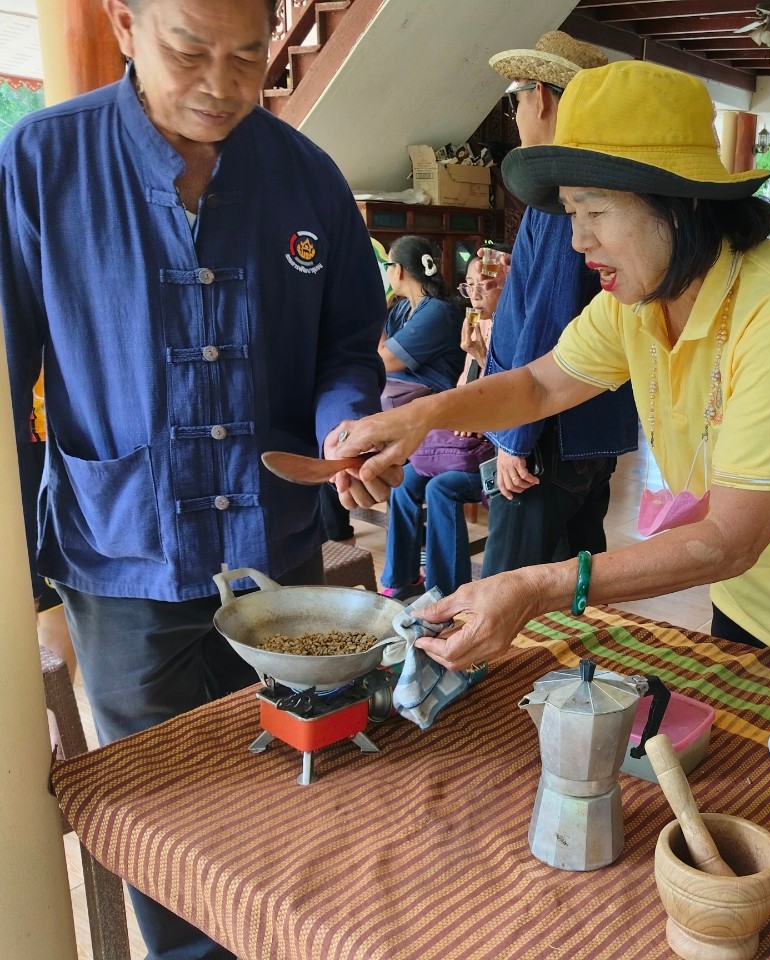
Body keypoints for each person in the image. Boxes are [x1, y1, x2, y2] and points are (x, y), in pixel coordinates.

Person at [333, 60, 770, 698]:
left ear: (680, 205)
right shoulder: (637, 302)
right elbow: (540, 387)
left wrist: (537, 586)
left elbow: (729, 538)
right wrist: (417, 417)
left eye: (595, 210)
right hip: (751, 601)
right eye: (571, 213)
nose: (578, 241)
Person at [0, 0, 390, 956]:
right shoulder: (42, 163)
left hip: (281, 552)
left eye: (249, 56)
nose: (221, 85)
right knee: (164, 819)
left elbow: (348, 344)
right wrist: (25, 583)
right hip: (126, 559)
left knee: (301, 792)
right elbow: (6, 377)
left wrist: (348, 424)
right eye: (188, 52)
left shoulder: (309, 179)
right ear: (125, 25)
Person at [475, 31, 638, 579]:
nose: (516, 112)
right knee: (574, 588)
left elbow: (550, 323)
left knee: (505, 590)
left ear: (540, 97)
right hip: (591, 432)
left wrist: (513, 440)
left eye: (514, 98)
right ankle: (573, 669)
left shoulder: (557, 195)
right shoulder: (601, 185)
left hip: (547, 436)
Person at [379, 253, 502, 597]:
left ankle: (445, 592)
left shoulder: (513, 330)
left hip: (495, 451)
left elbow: (512, 396)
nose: (476, 292)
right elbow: (464, 386)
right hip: (463, 443)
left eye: (485, 284)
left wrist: (481, 358)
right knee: (403, 483)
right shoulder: (475, 324)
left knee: (440, 489)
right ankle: (400, 579)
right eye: (471, 285)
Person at [379, 235, 465, 404]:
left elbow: (386, 362)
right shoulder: (402, 308)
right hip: (399, 393)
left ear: (398, 270)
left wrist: (373, 312)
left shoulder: (437, 311)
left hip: (431, 400)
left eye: (387, 265)